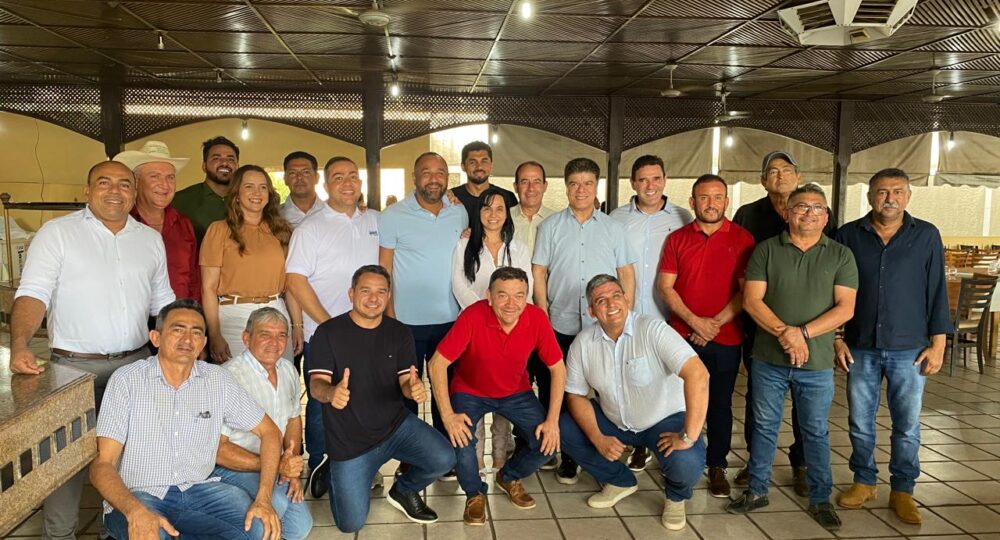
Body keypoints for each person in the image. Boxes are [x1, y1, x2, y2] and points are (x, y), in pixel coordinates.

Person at [10, 159, 175, 540]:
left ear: (134, 193)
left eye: (124, 184)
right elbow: (34, 293)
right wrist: (19, 344)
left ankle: (117, 530)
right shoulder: (58, 233)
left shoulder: (149, 239)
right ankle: (60, 535)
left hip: (135, 365)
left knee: (131, 458)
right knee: (63, 463)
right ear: (87, 190)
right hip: (71, 370)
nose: (115, 191)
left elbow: (163, 302)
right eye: (104, 182)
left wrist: (181, 344)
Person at [90, 299, 283, 540]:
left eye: (196, 332)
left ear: (203, 343)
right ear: (155, 338)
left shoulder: (217, 380)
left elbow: (269, 432)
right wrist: (135, 511)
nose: (188, 339)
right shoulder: (127, 380)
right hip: (139, 495)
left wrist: (264, 499)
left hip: (199, 490)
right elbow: (102, 465)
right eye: (178, 330)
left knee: (261, 527)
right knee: (152, 534)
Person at [727, 184, 858, 531]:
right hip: (768, 359)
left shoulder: (841, 255)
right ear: (787, 213)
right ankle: (757, 490)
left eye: (817, 208)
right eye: (801, 207)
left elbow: (845, 308)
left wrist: (802, 334)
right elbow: (752, 300)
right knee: (764, 427)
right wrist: (787, 334)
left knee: (815, 431)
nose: (809, 213)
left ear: (826, 217)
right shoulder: (766, 250)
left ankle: (820, 498)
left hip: (816, 363)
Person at [833, 168, 952, 525]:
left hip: (910, 348)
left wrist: (939, 343)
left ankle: (903, 489)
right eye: (883, 192)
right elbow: (833, 290)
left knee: (907, 424)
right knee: (860, 421)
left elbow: (937, 291)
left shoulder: (926, 235)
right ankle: (864, 480)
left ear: (908, 196)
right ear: (870, 196)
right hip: (860, 345)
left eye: (897, 191)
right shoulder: (848, 235)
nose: (890, 198)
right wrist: (837, 337)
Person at [308, 265, 455, 532]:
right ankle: (333, 468)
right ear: (351, 293)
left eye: (381, 292)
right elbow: (316, 384)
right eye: (365, 291)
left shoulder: (399, 332)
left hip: (395, 427)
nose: (373, 298)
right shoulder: (328, 333)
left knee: (444, 458)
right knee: (350, 524)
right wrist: (331, 393)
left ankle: (403, 490)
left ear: (388, 296)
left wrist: (413, 389)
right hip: (350, 441)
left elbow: (405, 382)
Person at [560, 274, 707, 531]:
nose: (611, 304)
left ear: (627, 299)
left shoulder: (653, 329)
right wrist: (597, 437)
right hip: (614, 420)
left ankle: (676, 497)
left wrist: (688, 436)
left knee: (687, 460)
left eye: (616, 295)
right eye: (601, 300)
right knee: (563, 427)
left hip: (663, 421)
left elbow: (698, 374)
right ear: (591, 311)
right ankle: (619, 480)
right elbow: (575, 395)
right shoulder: (583, 343)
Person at [429, 267, 565, 526]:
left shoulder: (537, 318)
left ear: (526, 297)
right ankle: (474, 493)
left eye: (519, 296)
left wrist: (552, 420)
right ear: (489, 296)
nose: (511, 304)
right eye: (502, 295)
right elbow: (437, 363)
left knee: (549, 444)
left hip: (516, 392)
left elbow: (558, 368)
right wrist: (447, 416)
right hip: (470, 390)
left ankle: (508, 476)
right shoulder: (472, 315)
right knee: (462, 442)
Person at [731, 150, 832, 494]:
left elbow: (833, 273)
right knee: (759, 402)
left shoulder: (815, 213)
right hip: (760, 325)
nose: (779, 176)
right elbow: (739, 270)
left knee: (808, 407)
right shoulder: (748, 214)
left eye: (786, 170)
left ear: (797, 176)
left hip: (812, 329)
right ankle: (755, 463)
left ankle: (800, 463)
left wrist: (816, 334)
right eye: (772, 171)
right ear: (763, 180)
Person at [532, 157, 636, 484]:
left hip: (601, 326)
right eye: (574, 184)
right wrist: (542, 315)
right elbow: (539, 272)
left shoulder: (613, 228)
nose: (581, 190)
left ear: (596, 186)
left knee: (605, 390)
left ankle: (606, 451)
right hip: (560, 323)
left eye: (588, 183)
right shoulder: (550, 227)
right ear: (566, 187)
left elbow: (626, 273)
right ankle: (567, 455)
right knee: (558, 390)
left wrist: (624, 316)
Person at [285, 156, 379, 498]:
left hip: (369, 333)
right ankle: (321, 464)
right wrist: (330, 326)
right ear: (326, 186)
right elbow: (295, 280)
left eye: (353, 176)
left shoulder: (375, 221)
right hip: (324, 334)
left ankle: (364, 465)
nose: (347, 182)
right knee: (322, 401)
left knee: (366, 399)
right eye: (338, 177)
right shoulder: (310, 228)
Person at [658, 174, 755, 498]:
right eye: (703, 197)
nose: (710, 204)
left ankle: (717, 465)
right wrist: (694, 323)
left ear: (726, 201)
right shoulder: (677, 239)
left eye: (717, 197)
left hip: (726, 337)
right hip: (681, 336)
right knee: (677, 401)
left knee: (720, 405)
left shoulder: (743, 239)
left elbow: (747, 292)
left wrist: (713, 324)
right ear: (692, 202)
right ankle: (677, 459)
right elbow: (666, 287)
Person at [378, 152, 469, 451]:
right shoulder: (393, 215)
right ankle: (411, 455)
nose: (433, 179)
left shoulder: (459, 212)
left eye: (440, 172)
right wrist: (389, 317)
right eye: (426, 172)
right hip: (406, 323)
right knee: (407, 393)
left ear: (447, 178)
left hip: (451, 321)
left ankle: (445, 449)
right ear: (414, 177)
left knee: (447, 389)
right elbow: (384, 268)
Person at [610, 154, 692, 470]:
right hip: (626, 316)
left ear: (665, 180)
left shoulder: (682, 217)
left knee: (664, 383)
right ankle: (637, 444)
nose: (650, 186)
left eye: (656, 178)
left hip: (666, 316)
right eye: (643, 179)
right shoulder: (617, 218)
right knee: (630, 379)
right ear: (633, 183)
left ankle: (669, 441)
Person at [213, 307, 313, 540]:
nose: (274, 343)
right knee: (274, 504)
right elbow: (218, 450)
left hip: (272, 464)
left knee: (299, 527)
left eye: (281, 335)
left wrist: (291, 465)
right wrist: (277, 466)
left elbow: (293, 420)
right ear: (246, 338)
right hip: (230, 467)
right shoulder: (229, 377)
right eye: (265, 334)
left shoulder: (287, 369)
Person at [451, 188, 533, 472]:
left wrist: (505, 317)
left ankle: (500, 457)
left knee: (505, 394)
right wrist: (486, 315)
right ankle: (475, 461)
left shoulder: (518, 248)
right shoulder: (464, 245)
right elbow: (459, 285)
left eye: (499, 208)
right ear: (479, 213)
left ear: (507, 214)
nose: (493, 214)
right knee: (475, 394)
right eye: (487, 208)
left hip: (511, 332)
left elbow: (526, 289)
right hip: (473, 332)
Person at [200, 165, 302, 363]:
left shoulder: (281, 231)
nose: (257, 193)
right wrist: (214, 333)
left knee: (279, 377)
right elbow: (208, 288)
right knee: (237, 378)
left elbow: (291, 285)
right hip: (234, 316)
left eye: (263, 187)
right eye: (249, 186)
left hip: (277, 311)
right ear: (236, 194)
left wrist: (297, 326)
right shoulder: (219, 230)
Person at [115, 141, 200, 301]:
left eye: (170, 177)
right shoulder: (120, 223)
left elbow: (194, 280)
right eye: (154, 176)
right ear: (136, 182)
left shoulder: (183, 224)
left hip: (177, 312)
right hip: (134, 313)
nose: (164, 185)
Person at [174, 136, 240, 243]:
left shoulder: (247, 201)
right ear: (204, 166)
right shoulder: (180, 201)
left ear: (237, 166)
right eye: (216, 158)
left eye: (231, 159)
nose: (225, 163)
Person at [450, 141, 518, 222]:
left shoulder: (507, 197)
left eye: (484, 161)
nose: (479, 167)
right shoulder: (451, 198)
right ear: (463, 167)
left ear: (491, 165)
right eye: (472, 162)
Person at [509, 161, 556, 253]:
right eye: (524, 182)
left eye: (537, 182)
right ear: (515, 187)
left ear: (545, 186)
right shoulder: (503, 219)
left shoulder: (557, 221)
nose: (531, 188)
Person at [278, 151, 325, 227]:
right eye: (293, 173)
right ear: (285, 179)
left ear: (317, 177)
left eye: (306, 172)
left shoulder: (334, 213)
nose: (299, 177)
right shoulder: (274, 216)